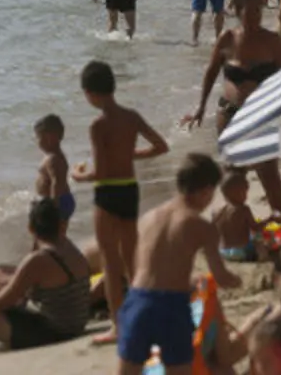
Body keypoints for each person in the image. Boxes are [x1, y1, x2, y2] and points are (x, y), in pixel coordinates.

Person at [70, 60, 170, 345]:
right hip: (130, 189)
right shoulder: (131, 116)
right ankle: (146, 315)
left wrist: (79, 175)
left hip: (107, 194)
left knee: (110, 263)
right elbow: (161, 146)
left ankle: (118, 326)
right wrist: (128, 155)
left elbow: (100, 173)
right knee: (132, 260)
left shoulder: (98, 125)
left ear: (90, 93)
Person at [116, 153, 242, 373]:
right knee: (180, 369)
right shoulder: (201, 226)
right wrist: (236, 280)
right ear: (206, 191)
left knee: (127, 370)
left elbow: (144, 265)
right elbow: (221, 277)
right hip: (170, 305)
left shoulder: (148, 217)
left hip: (137, 298)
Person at [185, 0, 281, 222]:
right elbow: (211, 72)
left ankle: (278, 220)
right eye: (249, 10)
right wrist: (201, 106)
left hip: (262, 115)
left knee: (268, 172)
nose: (255, 14)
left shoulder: (273, 41)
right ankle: (238, 224)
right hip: (229, 113)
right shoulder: (228, 38)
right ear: (238, 11)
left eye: (258, 10)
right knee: (233, 174)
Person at [0, 198, 91, 351]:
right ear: (61, 225)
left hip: (55, 333)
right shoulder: (70, 249)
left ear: (30, 228)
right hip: (74, 326)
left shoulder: (38, 260)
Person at [34, 114, 75, 233]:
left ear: (49, 137)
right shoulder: (54, 156)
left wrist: (52, 208)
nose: (37, 142)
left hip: (58, 202)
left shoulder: (53, 159)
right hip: (61, 200)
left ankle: (56, 251)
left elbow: (56, 183)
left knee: (49, 236)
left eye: (38, 137)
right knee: (57, 236)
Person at [214, 168, 264, 262]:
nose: (247, 196)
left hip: (223, 252)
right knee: (257, 236)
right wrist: (270, 219)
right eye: (245, 192)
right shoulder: (244, 209)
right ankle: (262, 255)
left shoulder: (217, 211)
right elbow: (255, 227)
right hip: (241, 252)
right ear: (240, 193)